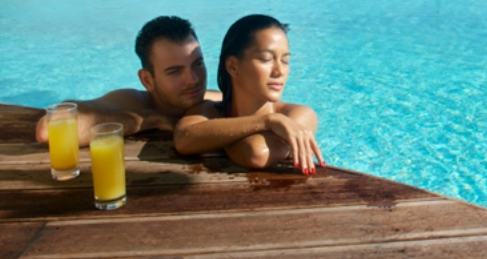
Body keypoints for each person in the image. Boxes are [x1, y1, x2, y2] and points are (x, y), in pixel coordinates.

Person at [174, 14, 324, 175]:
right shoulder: (210, 110)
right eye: (266, 59)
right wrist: (268, 121)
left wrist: (216, 138)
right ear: (233, 66)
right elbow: (184, 139)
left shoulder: (297, 115)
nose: (279, 71)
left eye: (285, 61)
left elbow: (257, 153)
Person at [36, 16, 220, 146]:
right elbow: (49, 129)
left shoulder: (217, 101)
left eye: (198, 64)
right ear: (147, 80)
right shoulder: (134, 103)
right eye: (175, 72)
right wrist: (152, 119)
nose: (193, 79)